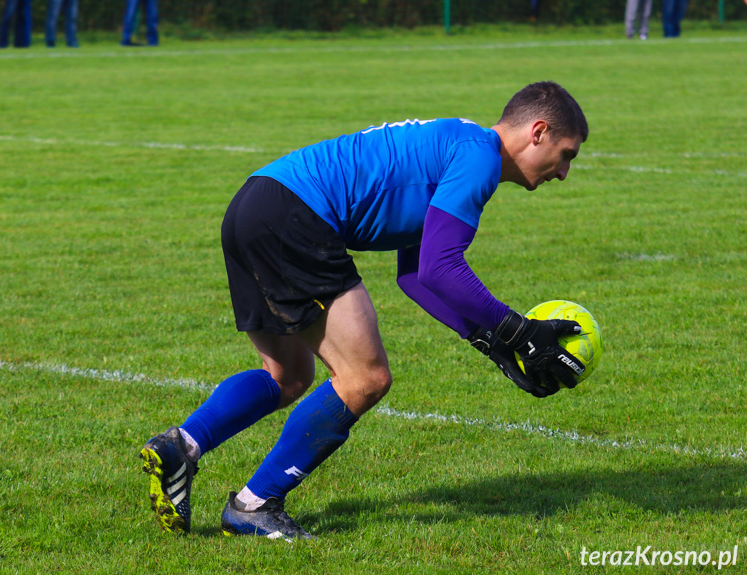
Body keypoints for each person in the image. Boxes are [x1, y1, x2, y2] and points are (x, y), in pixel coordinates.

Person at [140, 81, 590, 540]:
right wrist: (519, 331)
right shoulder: (479, 158)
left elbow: (415, 275)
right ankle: (254, 505)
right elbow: (440, 267)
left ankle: (181, 446)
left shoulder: (461, 143)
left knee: (288, 375)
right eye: (567, 153)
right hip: (296, 217)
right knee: (366, 378)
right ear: (538, 132)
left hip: (255, 204)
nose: (564, 172)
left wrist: (490, 340)